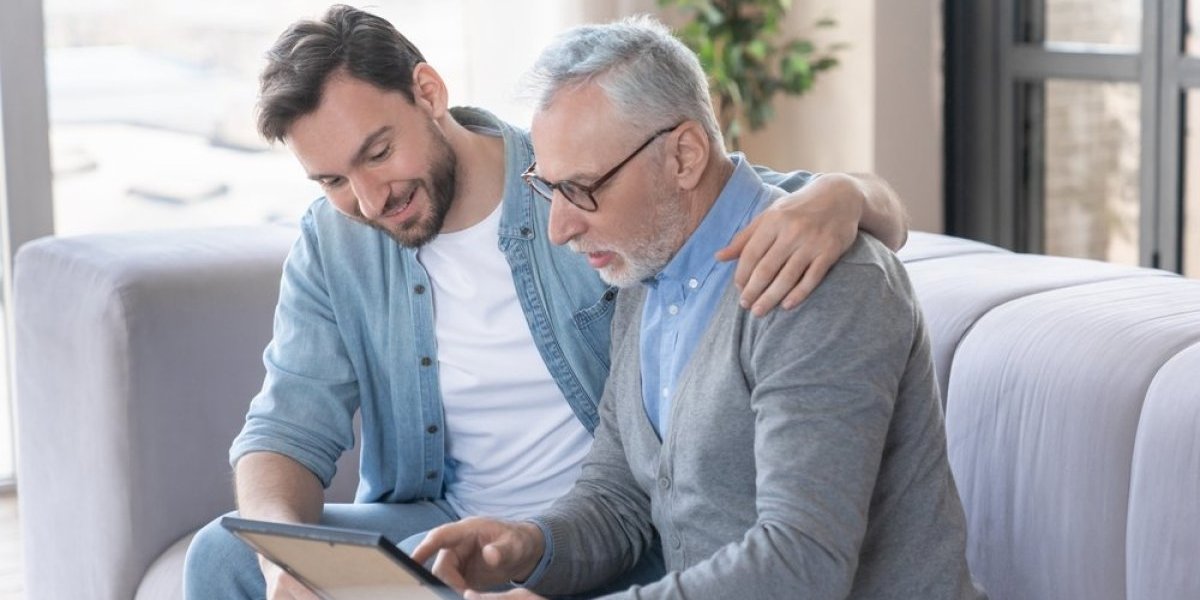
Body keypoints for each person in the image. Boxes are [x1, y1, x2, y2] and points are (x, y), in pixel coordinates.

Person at [182, 5, 911, 599]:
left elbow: (736, 193)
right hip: (491, 528)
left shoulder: (599, 190)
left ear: (428, 93)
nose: (369, 199)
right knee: (225, 555)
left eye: (377, 154)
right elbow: (284, 426)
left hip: (612, 541)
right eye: (333, 181)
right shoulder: (342, 239)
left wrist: (851, 194)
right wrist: (290, 568)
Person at [411, 16, 983, 600]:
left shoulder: (819, 283)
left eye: (582, 189)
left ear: (684, 156)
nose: (559, 227)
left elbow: (803, 562)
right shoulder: (643, 268)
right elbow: (621, 499)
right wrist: (527, 546)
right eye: (548, 187)